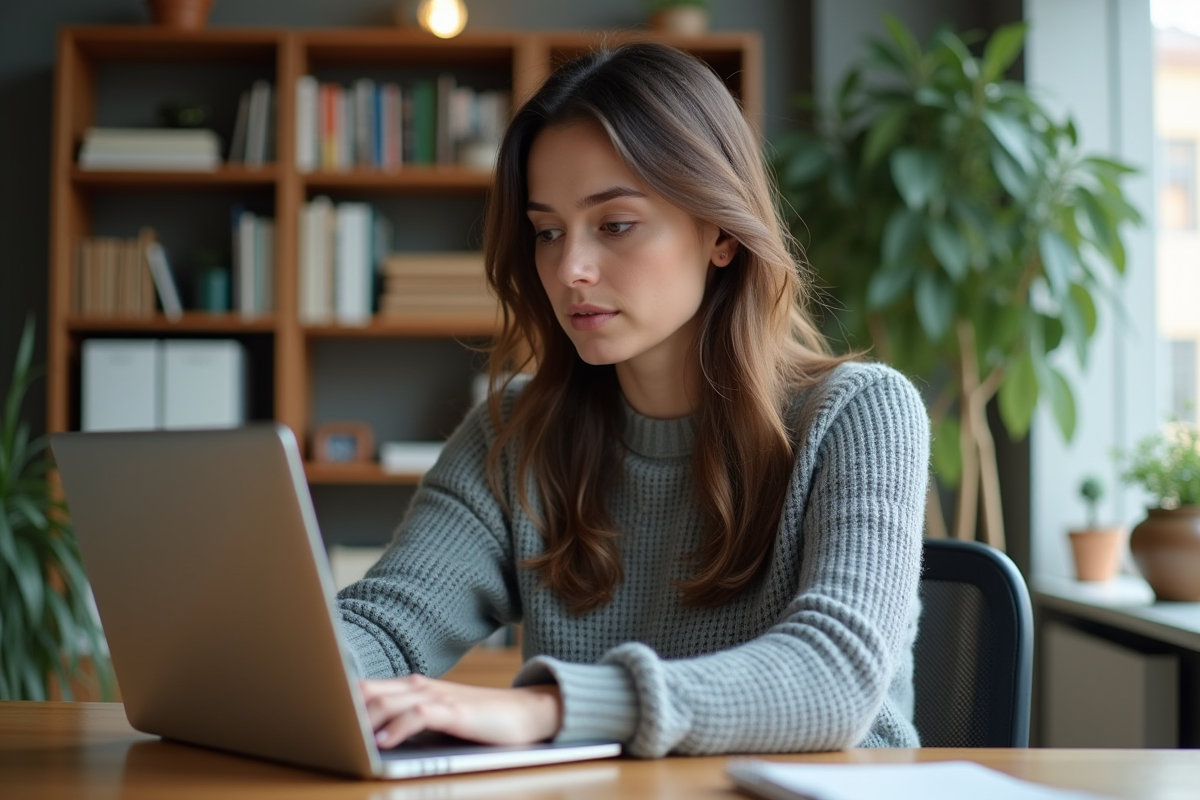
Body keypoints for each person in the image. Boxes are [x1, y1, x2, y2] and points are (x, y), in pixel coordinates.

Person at [336, 41, 930, 758]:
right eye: (547, 232)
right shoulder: (517, 431)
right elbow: (386, 627)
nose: (570, 269)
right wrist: (282, 668)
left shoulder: (862, 415)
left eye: (614, 224)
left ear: (718, 232)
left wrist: (550, 710)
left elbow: (835, 679)